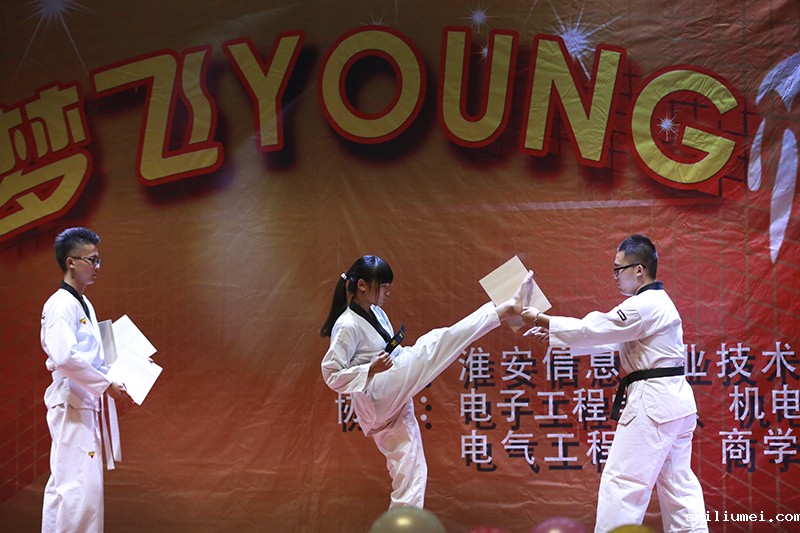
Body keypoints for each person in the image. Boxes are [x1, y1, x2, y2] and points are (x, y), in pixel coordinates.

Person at [521, 235, 707, 533]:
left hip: (653, 403)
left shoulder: (644, 305)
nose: (615, 276)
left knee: (622, 484)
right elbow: (611, 341)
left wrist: (542, 319)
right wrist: (557, 337)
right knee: (678, 485)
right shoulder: (657, 303)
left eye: (618, 269)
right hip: (675, 403)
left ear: (639, 270)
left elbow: (596, 328)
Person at [321, 255, 532, 509]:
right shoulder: (346, 324)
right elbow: (331, 374)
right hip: (378, 392)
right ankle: (506, 309)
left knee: (411, 471)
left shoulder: (376, 312)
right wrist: (369, 369)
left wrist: (395, 364)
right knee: (436, 343)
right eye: (383, 286)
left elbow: (391, 352)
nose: (388, 292)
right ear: (363, 285)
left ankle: (402, 524)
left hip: (391, 398)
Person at [40, 227, 133, 533]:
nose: (97, 266)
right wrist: (105, 384)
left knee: (66, 486)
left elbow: (94, 356)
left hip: (83, 401)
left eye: (98, 260)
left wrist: (123, 366)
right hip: (72, 401)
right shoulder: (60, 304)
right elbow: (65, 357)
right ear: (71, 262)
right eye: (92, 260)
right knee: (79, 488)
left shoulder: (83, 303)